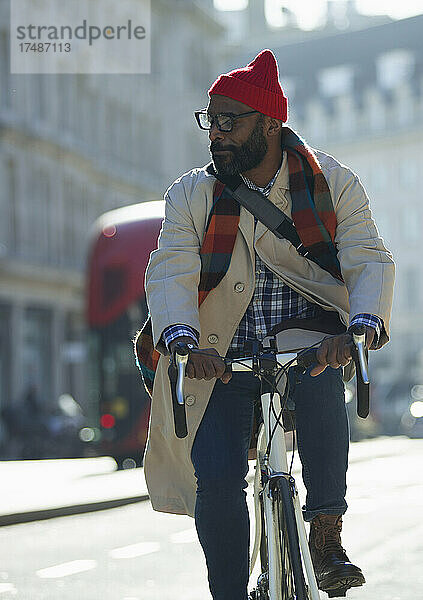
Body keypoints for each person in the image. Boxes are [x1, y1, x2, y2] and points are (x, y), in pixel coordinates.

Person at [140, 49, 395, 600]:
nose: (217, 135)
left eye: (231, 121)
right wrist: (182, 338)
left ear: (271, 123)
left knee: (324, 382)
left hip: (307, 343)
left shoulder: (332, 183)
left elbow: (367, 255)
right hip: (219, 355)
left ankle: (327, 537)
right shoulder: (191, 194)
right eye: (212, 121)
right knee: (218, 485)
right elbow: (172, 270)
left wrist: (361, 327)